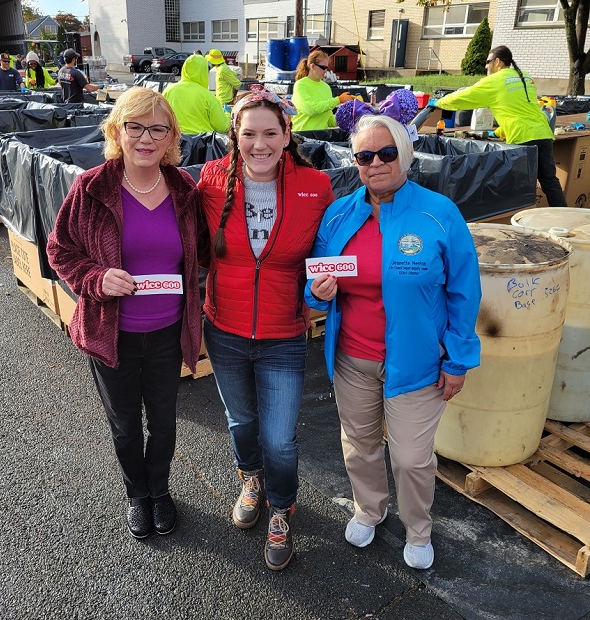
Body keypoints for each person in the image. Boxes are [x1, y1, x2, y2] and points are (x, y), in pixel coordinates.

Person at [305, 90, 482, 570]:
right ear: (355, 161)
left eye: (387, 153)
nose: (375, 163)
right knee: (359, 446)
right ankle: (369, 508)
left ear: (404, 156)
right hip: (352, 359)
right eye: (364, 156)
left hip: (418, 364)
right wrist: (315, 294)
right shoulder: (340, 214)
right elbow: (316, 280)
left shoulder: (438, 214)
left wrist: (459, 358)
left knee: (411, 459)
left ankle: (418, 529)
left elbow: (464, 292)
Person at [46, 87, 209, 540]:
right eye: (135, 126)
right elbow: (59, 250)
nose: (145, 138)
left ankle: (160, 491)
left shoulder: (183, 189)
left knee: (163, 421)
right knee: (123, 423)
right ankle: (136, 494)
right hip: (110, 332)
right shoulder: (92, 186)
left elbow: (205, 253)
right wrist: (96, 279)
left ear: (172, 135)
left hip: (167, 331)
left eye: (158, 128)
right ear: (117, 130)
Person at [198, 85, 335, 571]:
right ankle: (250, 481)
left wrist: (323, 286)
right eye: (249, 133)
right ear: (234, 134)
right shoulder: (211, 179)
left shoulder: (316, 185)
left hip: (282, 333)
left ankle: (281, 507)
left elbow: (329, 250)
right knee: (242, 422)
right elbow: (184, 238)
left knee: (279, 437)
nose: (260, 144)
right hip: (225, 328)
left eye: (270, 133)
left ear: (286, 133)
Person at [434, 45, 566, 207]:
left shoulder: (494, 81)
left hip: (522, 138)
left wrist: (439, 102)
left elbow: (463, 97)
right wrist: (498, 132)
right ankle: (563, 221)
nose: (486, 66)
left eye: (488, 62)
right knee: (550, 182)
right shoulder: (524, 76)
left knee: (519, 187)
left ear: (497, 61)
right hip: (543, 133)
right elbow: (519, 109)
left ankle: (515, 222)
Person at [163, 54, 229, 135]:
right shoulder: (208, 96)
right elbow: (223, 127)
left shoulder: (168, 90)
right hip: (203, 145)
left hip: (174, 143)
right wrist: (227, 114)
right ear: (204, 72)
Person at [291, 50, 355, 131]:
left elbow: (329, 120)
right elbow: (311, 109)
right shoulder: (300, 85)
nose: (325, 71)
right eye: (323, 67)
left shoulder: (326, 87)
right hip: (301, 135)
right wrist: (339, 99)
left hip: (320, 137)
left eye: (326, 68)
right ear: (312, 66)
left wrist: (349, 114)